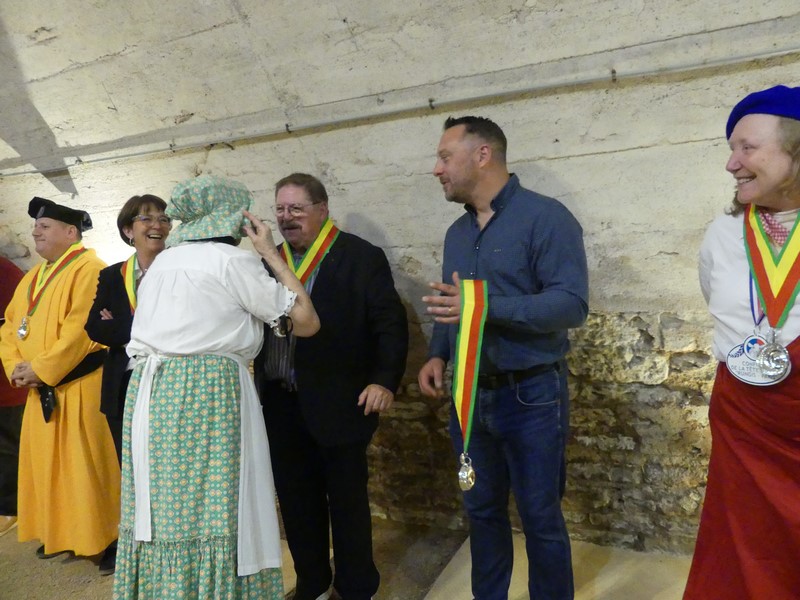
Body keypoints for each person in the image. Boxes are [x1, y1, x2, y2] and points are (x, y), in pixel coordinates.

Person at [112, 174, 319, 600]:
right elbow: (306, 320)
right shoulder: (232, 261)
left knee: (167, 509)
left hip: (152, 394)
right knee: (216, 506)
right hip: (206, 392)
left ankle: (169, 590)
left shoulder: (161, 264)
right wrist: (270, 254)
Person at [418, 116, 589, 600]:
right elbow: (453, 306)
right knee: (481, 512)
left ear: (482, 155)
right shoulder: (456, 233)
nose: (436, 169)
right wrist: (437, 354)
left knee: (540, 517)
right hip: (469, 394)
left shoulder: (546, 218)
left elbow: (571, 305)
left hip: (531, 393)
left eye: (445, 157)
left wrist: (485, 305)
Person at [254, 173, 408, 600]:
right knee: (296, 501)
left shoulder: (360, 256)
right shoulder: (268, 260)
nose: (286, 217)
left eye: (296, 208)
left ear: (322, 209)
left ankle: (356, 586)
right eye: (280, 209)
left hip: (341, 398)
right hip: (280, 402)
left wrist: (383, 380)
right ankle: (313, 582)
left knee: (347, 502)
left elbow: (389, 324)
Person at [684, 85, 800, 599]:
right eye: (731, 149)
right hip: (746, 419)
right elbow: (717, 301)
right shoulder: (722, 234)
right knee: (748, 543)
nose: (732, 164)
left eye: (747, 148)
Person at [0, 197, 119, 566]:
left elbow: (80, 330)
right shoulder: (34, 276)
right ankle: (65, 533)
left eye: (45, 226)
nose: (36, 231)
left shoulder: (90, 269)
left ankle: (109, 538)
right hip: (41, 388)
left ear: (71, 232)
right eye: (36, 226)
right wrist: (15, 367)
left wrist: (42, 368)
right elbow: (9, 328)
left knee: (87, 467)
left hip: (80, 386)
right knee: (50, 468)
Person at [84, 194, 171, 575]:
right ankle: (137, 546)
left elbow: (179, 325)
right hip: (122, 386)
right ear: (128, 230)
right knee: (132, 471)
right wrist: (145, 329)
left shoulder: (179, 268)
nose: (157, 225)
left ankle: (170, 544)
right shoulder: (112, 275)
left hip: (169, 382)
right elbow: (95, 327)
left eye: (164, 218)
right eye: (146, 218)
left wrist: (121, 326)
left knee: (168, 469)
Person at [0, 256, 27, 538]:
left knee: (8, 446)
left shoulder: (5, 272)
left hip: (7, 383)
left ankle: (11, 508)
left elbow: (15, 325)